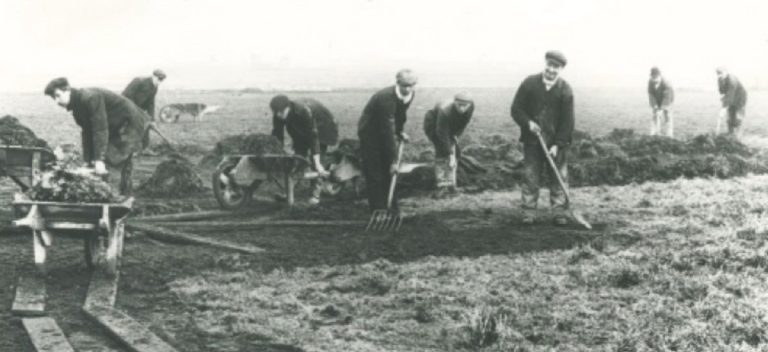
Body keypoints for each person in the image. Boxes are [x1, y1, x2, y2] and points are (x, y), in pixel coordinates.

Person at [44, 77, 148, 195]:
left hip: (130, 124)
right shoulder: (77, 106)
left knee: (111, 160)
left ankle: (112, 199)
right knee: (114, 161)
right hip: (116, 126)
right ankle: (125, 196)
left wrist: (99, 159)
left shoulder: (90, 98)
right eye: (54, 98)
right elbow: (87, 132)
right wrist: (88, 160)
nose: (57, 101)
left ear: (67, 89)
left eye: (58, 95)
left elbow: (100, 129)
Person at [511, 51, 575, 226]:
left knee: (558, 176)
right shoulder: (529, 84)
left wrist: (558, 144)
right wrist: (528, 123)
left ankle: (560, 212)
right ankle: (529, 211)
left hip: (556, 144)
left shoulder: (565, 90)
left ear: (561, 69)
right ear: (545, 64)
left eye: (556, 67)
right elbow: (516, 109)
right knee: (531, 176)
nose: (552, 70)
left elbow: (567, 122)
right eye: (550, 65)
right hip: (533, 141)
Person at [357, 69, 417, 212]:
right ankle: (378, 208)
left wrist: (400, 131)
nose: (408, 89)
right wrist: (393, 160)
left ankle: (392, 206)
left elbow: (400, 115)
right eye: (405, 85)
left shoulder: (410, 94)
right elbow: (387, 128)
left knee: (389, 172)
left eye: (411, 85)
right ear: (397, 83)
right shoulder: (386, 98)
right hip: (370, 133)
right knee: (375, 171)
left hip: (387, 129)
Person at [269, 95, 339, 204]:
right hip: (300, 130)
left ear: (288, 107)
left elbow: (313, 137)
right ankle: (288, 192)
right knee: (298, 159)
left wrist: (317, 163)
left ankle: (315, 194)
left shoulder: (303, 111)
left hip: (323, 128)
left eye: (281, 112)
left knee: (316, 162)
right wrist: (275, 150)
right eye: (276, 112)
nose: (279, 115)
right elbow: (277, 135)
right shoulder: (278, 114)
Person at [423, 92, 474, 198]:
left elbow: (464, 123)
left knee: (457, 154)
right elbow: (441, 133)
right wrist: (450, 155)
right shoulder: (445, 111)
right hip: (434, 124)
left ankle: (451, 185)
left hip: (452, 125)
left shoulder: (471, 106)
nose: (462, 108)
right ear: (455, 103)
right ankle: (441, 186)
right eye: (460, 105)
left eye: (465, 105)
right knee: (442, 153)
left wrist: (457, 135)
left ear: (469, 104)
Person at [716, 67, 748, 138]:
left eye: (721, 73)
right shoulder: (720, 79)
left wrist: (724, 108)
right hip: (730, 97)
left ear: (726, 72)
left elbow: (730, 94)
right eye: (718, 74)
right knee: (730, 116)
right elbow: (722, 91)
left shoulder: (732, 80)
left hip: (740, 98)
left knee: (738, 117)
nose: (720, 75)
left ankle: (738, 137)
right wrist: (724, 101)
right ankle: (730, 134)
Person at [647, 67, 674, 137]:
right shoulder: (650, 81)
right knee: (655, 115)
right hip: (657, 99)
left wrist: (662, 108)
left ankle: (669, 134)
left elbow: (667, 96)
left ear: (659, 75)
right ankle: (654, 133)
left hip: (668, 99)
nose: (654, 78)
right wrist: (655, 106)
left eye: (655, 76)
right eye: (653, 76)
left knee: (667, 115)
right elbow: (651, 94)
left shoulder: (666, 82)